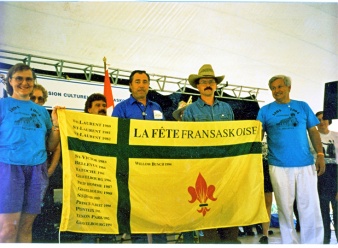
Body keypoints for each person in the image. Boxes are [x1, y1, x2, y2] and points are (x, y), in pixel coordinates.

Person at [256, 74, 325, 244]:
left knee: (309, 206)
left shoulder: (302, 106)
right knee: (284, 208)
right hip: (278, 166)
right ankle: (289, 243)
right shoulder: (265, 111)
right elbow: (257, 136)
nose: (276, 91)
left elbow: (313, 131)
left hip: (306, 164)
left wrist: (320, 155)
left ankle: (313, 243)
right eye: (273, 88)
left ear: (288, 88)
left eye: (279, 87)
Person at [0, 63, 63, 243]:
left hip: (36, 170)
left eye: (28, 79)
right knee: (7, 228)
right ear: (10, 81)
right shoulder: (2, 105)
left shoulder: (42, 112)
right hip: (8, 169)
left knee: (26, 226)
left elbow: (51, 146)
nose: (24, 82)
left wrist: (56, 125)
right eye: (19, 78)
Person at [182, 64, 238, 244]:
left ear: (216, 85)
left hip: (224, 166)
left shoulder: (227, 109)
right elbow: (187, 141)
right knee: (205, 207)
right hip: (202, 166)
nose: (207, 84)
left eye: (211, 82)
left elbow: (233, 137)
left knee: (227, 206)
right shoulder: (190, 111)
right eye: (203, 82)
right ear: (197, 86)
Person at [112, 70, 166, 243]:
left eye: (145, 81)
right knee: (137, 211)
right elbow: (117, 137)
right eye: (137, 81)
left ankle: (160, 243)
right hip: (133, 168)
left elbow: (164, 134)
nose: (141, 85)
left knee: (157, 207)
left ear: (149, 85)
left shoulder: (156, 107)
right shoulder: (121, 108)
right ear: (130, 85)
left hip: (155, 167)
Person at [81, 93, 116, 243]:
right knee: (89, 228)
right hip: (88, 183)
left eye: (103, 106)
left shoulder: (112, 127)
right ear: (89, 109)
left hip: (108, 181)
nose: (102, 109)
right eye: (97, 106)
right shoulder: (80, 127)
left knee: (109, 223)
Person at [30, 84, 62, 203]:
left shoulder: (47, 119)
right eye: (33, 98)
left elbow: (56, 147)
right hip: (16, 170)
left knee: (33, 210)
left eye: (40, 99)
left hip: (39, 171)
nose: (37, 101)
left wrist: (50, 170)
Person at [313, 111, 338, 244]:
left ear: (329, 121)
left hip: (335, 175)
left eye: (324, 119)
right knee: (322, 210)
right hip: (319, 176)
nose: (321, 122)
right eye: (318, 120)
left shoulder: (336, 136)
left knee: (337, 209)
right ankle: (325, 239)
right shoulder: (311, 137)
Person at [258, 135, 274, 244]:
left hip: (270, 167)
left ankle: (265, 233)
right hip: (254, 168)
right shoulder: (252, 131)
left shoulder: (271, 133)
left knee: (268, 202)